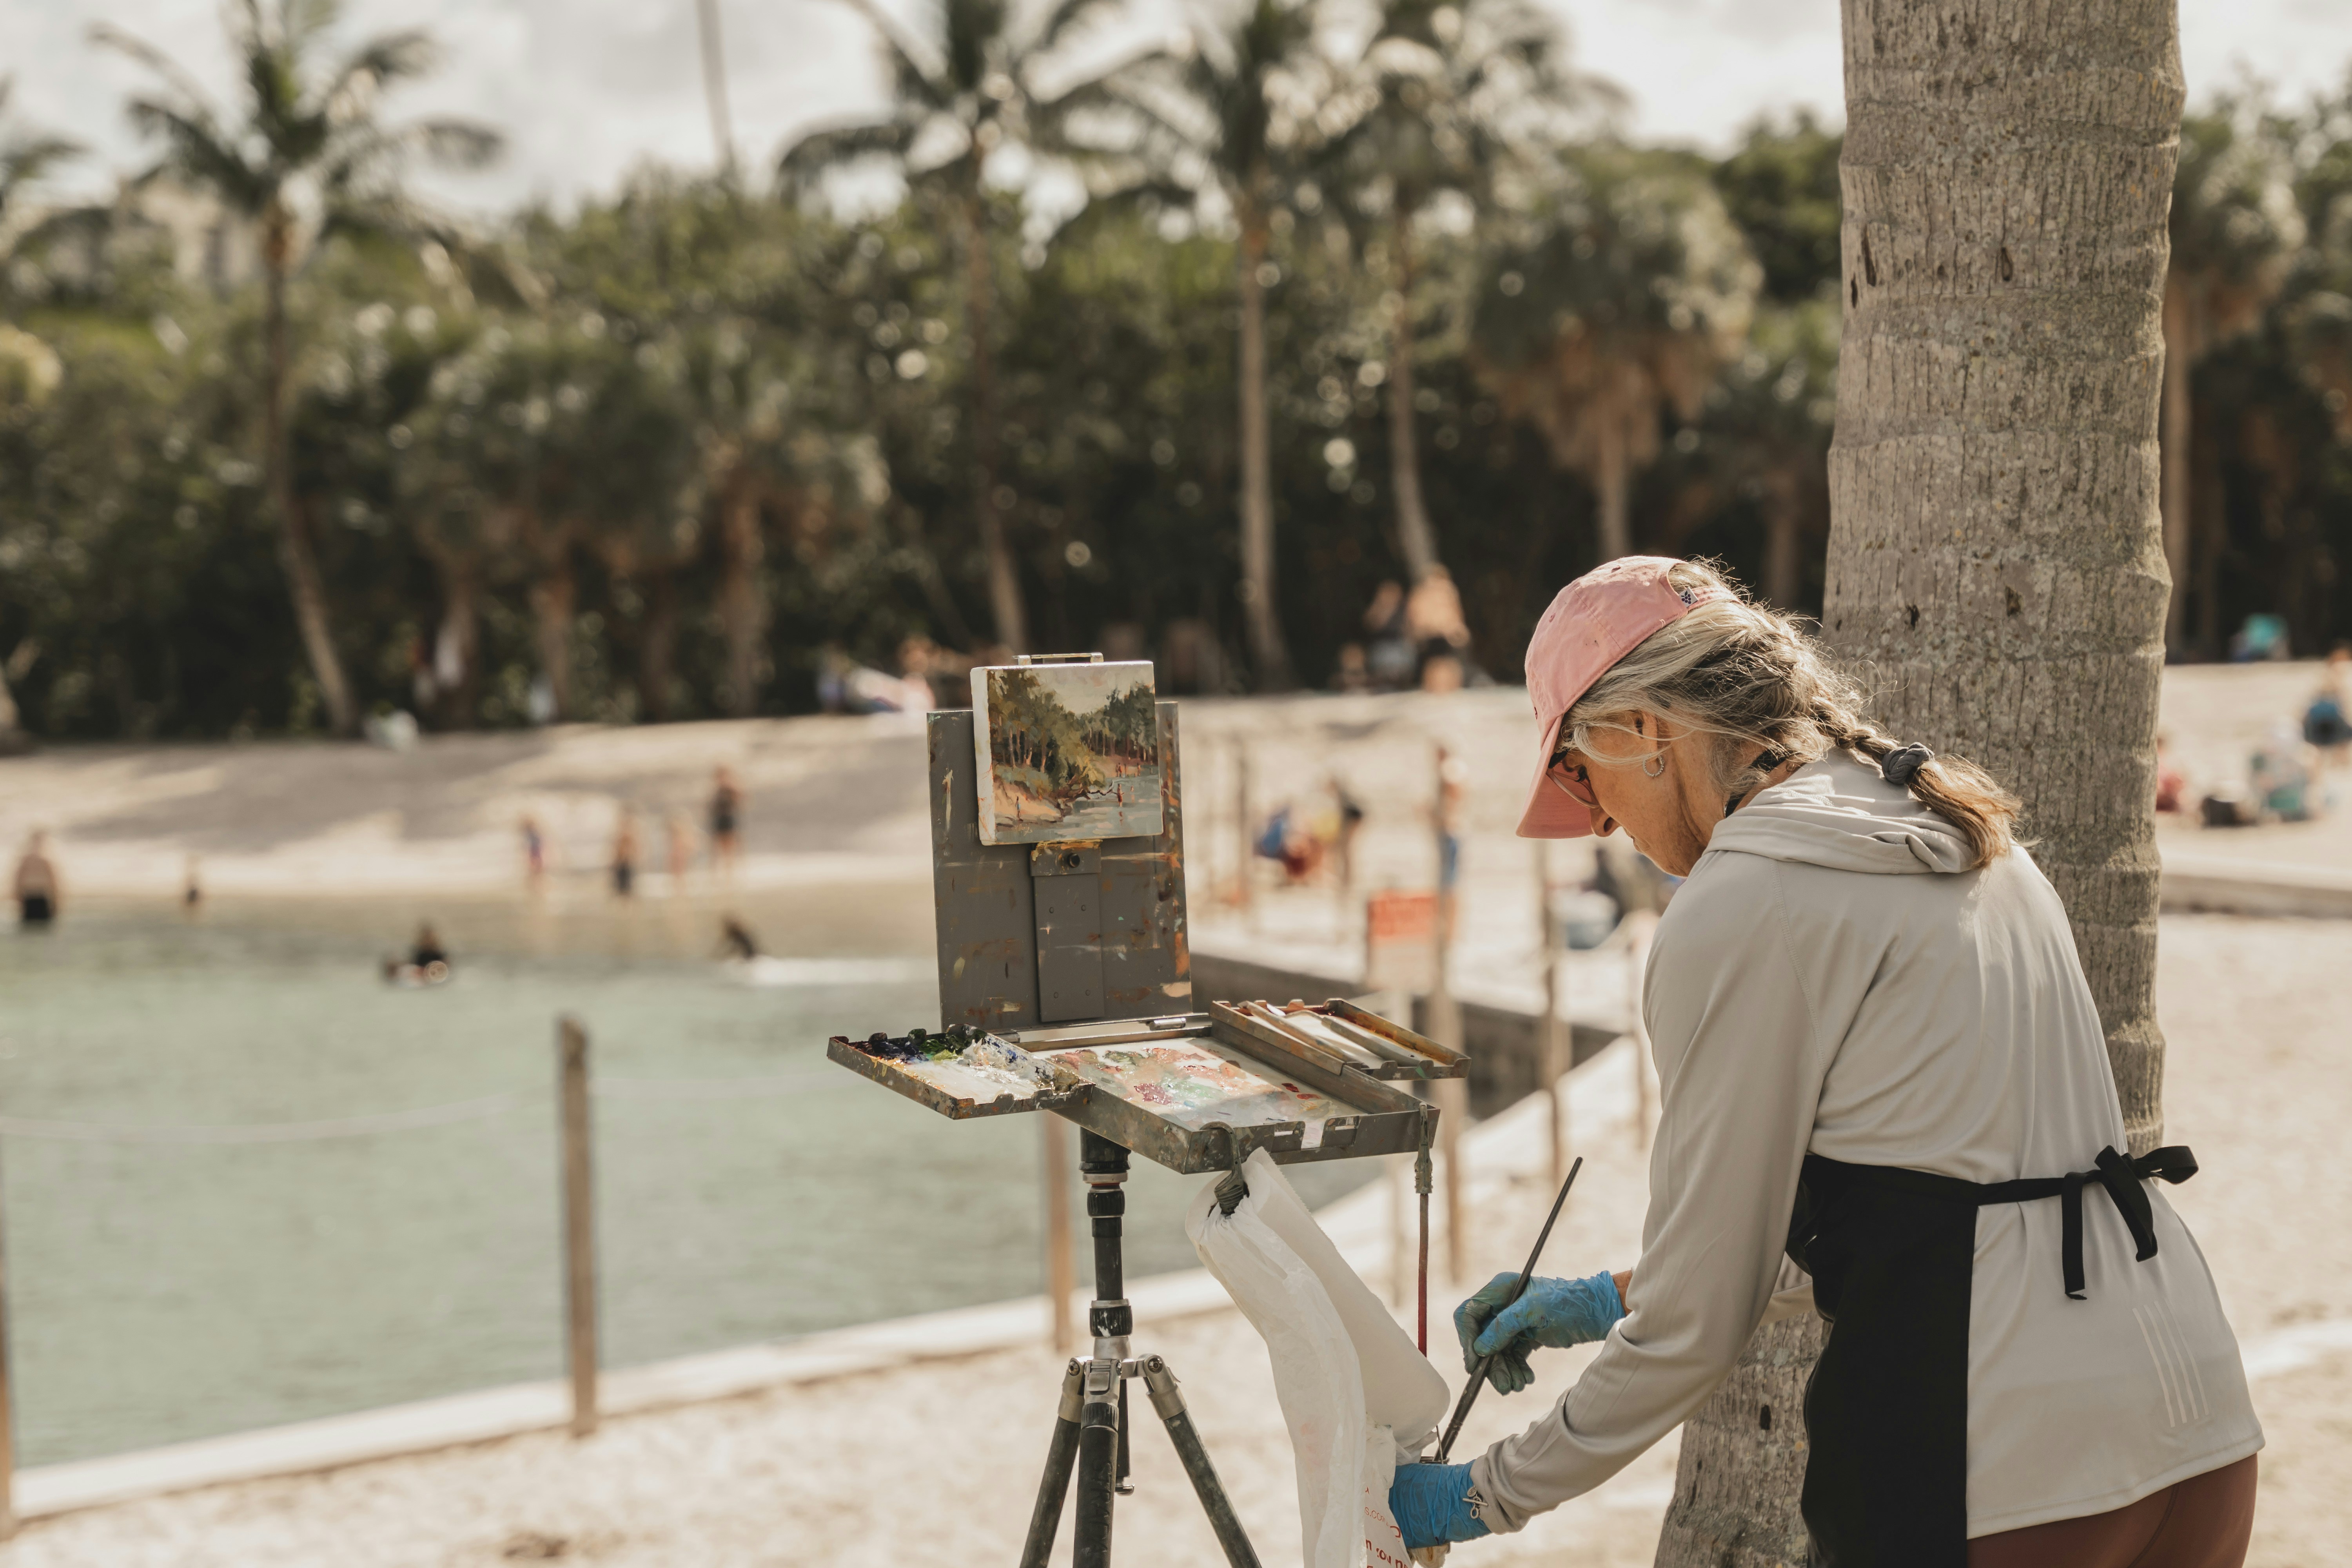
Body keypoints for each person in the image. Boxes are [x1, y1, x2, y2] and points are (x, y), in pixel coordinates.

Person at [1387, 557, 2261, 1566]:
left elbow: (1697, 1333)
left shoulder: (1743, 900)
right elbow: (1956, 1204)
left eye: (1579, 768)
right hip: (2193, 1417)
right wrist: (1605, 1296)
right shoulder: (1958, 822)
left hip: (1994, 1452)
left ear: (1645, 728)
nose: (1593, 816)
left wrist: (1477, 1496)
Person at [13, 830, 58, 926]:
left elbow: (18, 880)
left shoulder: (27, 860)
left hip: (34, 896)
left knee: (31, 927)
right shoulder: (44, 859)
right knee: (41, 927)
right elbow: (53, 882)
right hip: (35, 896)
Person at [708, 766, 742, 881]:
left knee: (730, 849)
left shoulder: (731, 790)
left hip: (729, 820)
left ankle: (730, 875)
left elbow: (741, 801)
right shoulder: (716, 792)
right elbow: (711, 808)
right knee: (717, 850)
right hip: (719, 821)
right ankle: (718, 876)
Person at [610, 807, 638, 900]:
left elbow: (633, 847)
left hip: (626, 861)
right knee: (620, 887)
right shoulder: (620, 832)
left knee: (626, 887)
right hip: (621, 861)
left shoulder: (629, 833)